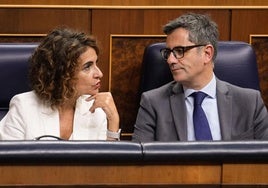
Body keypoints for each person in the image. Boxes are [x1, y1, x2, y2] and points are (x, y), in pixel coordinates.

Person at [132, 13, 268, 142]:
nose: (170, 60)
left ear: (207, 54)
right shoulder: (153, 103)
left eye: (179, 51)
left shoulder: (250, 103)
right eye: (168, 53)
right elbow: (139, 163)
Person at [0, 27, 121, 140]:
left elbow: (106, 161)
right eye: (87, 67)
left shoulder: (96, 110)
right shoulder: (23, 107)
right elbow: (8, 160)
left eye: (96, 64)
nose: (99, 74)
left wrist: (113, 122)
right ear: (62, 73)